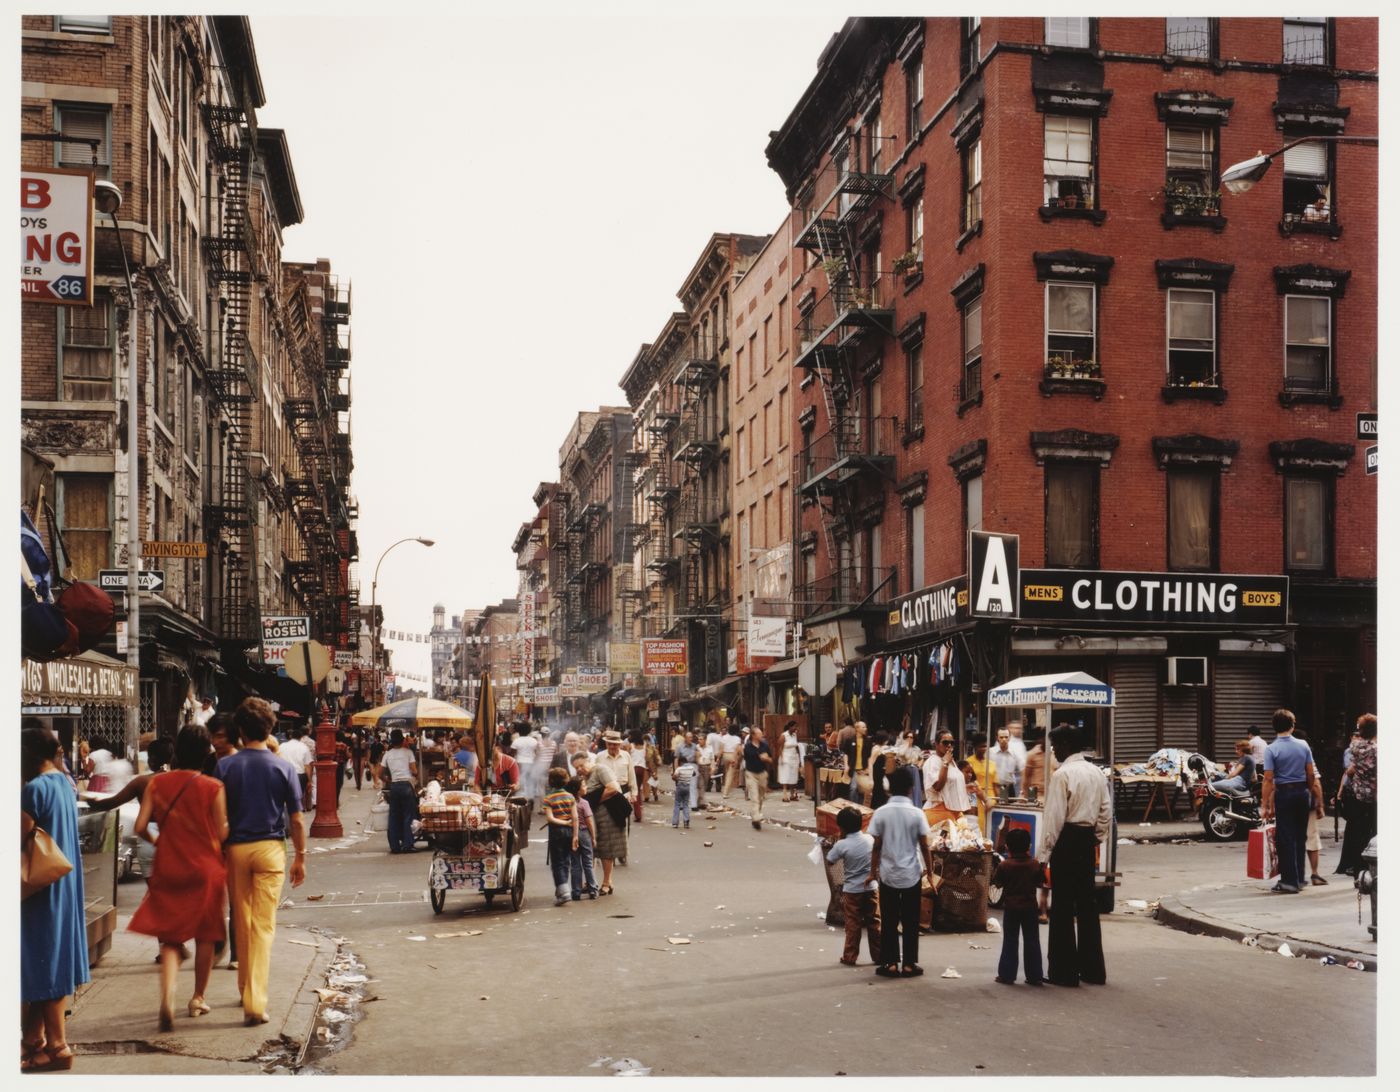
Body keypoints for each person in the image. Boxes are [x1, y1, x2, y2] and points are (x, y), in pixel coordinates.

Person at [127, 725, 229, 1030]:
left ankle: (167, 998)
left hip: (169, 865)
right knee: (206, 935)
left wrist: (162, 842)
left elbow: (141, 826)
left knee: (170, 939)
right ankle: (198, 997)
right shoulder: (213, 787)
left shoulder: (157, 785)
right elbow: (222, 831)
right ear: (206, 753)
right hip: (205, 867)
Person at [217, 698, 306, 1026]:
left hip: (236, 850)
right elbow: (296, 820)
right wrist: (301, 857)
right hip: (270, 849)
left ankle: (245, 990)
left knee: (241, 921)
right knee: (264, 926)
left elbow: (219, 816)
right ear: (270, 729)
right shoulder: (283, 767)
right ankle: (255, 1001)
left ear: (239, 730)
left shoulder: (225, 766)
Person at [21, 725, 89, 1072]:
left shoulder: (34, 789)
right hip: (62, 882)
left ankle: (58, 1045)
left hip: (38, 887)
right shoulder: (63, 782)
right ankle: (33, 1041)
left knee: (41, 959)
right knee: (49, 959)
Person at [1042, 723, 1112, 987]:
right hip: (1086, 841)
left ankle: (1064, 972)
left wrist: (1043, 857)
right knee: (1087, 905)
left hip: (1066, 841)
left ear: (1067, 746)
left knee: (1061, 907)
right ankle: (1093, 971)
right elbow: (1106, 812)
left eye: (1056, 746)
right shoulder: (1096, 773)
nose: (1054, 751)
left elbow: (1054, 820)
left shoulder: (1063, 775)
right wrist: (1095, 837)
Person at [867, 765, 933, 979]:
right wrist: (930, 872)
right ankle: (909, 964)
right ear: (910, 788)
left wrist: (872, 872)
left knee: (889, 920)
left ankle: (890, 963)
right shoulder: (917, 813)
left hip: (888, 874)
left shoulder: (881, 813)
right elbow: (925, 846)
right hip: (911, 874)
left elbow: (876, 846)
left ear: (889, 788)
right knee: (911, 920)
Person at [1260, 708, 1323, 894]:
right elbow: (1310, 773)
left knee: (1285, 838)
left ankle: (1289, 881)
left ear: (1274, 727)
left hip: (1284, 794)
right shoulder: (1303, 745)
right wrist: (1310, 792)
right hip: (1302, 792)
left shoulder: (1271, 749)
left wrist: (1265, 804)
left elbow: (1268, 779)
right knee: (1299, 836)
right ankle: (1300, 878)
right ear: (1292, 725)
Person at [827, 806, 881, 967]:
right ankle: (879, 955)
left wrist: (839, 839)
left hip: (852, 891)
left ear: (841, 827)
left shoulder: (842, 845)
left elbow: (830, 860)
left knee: (853, 924)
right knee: (875, 922)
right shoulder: (870, 839)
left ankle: (850, 956)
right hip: (871, 888)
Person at [991, 826, 1045, 986]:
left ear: (1007, 847)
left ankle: (1007, 975)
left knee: (1010, 940)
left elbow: (997, 884)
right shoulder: (1035, 864)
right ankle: (1035, 976)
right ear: (1029, 847)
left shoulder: (1004, 866)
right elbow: (1040, 882)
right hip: (1030, 907)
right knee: (1032, 940)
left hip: (1011, 908)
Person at [583, 736, 629, 895]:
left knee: (607, 847)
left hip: (610, 809)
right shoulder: (599, 757)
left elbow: (614, 787)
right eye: (610, 743)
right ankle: (591, 881)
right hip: (594, 813)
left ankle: (607, 882)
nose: (612, 746)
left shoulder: (602, 766)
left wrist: (594, 800)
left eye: (615, 743)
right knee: (593, 847)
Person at [1336, 713, 1377, 876]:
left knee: (1359, 832)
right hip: (1373, 796)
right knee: (1372, 832)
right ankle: (1368, 868)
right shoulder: (1376, 749)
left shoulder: (1355, 747)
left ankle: (1357, 868)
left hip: (1357, 795)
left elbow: (1350, 770)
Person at [542, 767, 580, 906]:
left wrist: (563, 822)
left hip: (556, 832)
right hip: (570, 832)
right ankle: (561, 890)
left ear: (550, 781)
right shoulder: (570, 797)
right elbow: (575, 817)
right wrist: (575, 835)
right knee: (565, 861)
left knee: (557, 863)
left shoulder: (548, 798)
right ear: (566, 781)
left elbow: (550, 819)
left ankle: (563, 891)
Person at [380, 729, 418, 854]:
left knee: (394, 816)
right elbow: (414, 771)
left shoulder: (387, 754)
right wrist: (415, 773)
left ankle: (394, 845)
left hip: (395, 786)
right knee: (408, 815)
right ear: (402, 740)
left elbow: (380, 773)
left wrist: (388, 779)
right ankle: (408, 844)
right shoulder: (408, 752)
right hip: (406, 785)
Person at [923, 731, 970, 824]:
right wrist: (945, 763)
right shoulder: (933, 761)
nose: (949, 745)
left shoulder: (950, 761)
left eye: (952, 743)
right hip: (939, 811)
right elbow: (937, 786)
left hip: (954, 811)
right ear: (936, 744)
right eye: (945, 742)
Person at [567, 773, 599, 899]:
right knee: (588, 862)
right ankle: (592, 889)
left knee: (575, 863)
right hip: (584, 832)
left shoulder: (568, 802)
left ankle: (576, 891)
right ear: (577, 789)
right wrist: (593, 837)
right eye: (584, 785)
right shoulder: (584, 803)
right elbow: (589, 821)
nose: (586, 787)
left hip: (571, 833)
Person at [964, 732, 996, 831]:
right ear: (975, 747)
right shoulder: (968, 762)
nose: (983, 749)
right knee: (978, 827)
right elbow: (969, 782)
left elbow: (996, 785)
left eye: (985, 746)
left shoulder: (991, 763)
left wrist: (998, 802)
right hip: (976, 799)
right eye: (981, 746)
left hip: (991, 800)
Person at [743, 726, 773, 830]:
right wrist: (760, 756)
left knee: (760, 797)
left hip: (762, 773)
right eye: (759, 734)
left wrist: (767, 759)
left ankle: (757, 813)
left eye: (761, 733)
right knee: (754, 797)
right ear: (753, 735)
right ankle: (756, 819)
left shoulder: (765, 745)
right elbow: (747, 757)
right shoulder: (748, 746)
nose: (761, 735)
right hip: (751, 773)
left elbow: (771, 759)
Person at [278, 722, 313, 803]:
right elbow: (307, 765)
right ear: (300, 738)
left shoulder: (282, 746)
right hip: (299, 775)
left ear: (291, 736)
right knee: (297, 798)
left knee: (285, 797)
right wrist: (310, 780)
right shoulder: (304, 747)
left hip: (284, 774)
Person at [841, 720, 874, 806]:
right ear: (857, 728)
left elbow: (870, 756)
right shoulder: (850, 740)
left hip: (863, 769)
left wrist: (868, 768)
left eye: (865, 727)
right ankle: (853, 806)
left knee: (861, 790)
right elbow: (845, 754)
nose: (865, 729)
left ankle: (859, 808)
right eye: (863, 727)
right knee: (853, 788)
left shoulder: (868, 741)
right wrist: (846, 766)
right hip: (853, 768)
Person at [989, 727, 1025, 800]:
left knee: (1011, 810)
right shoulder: (990, 752)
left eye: (1006, 737)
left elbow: (1023, 770)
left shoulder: (1015, 753)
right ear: (997, 738)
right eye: (1001, 737)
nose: (1004, 739)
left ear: (1009, 738)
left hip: (1010, 788)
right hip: (995, 787)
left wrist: (1022, 791)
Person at [778, 720, 802, 802]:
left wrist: (799, 758)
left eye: (796, 726)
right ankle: (785, 795)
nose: (796, 728)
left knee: (793, 776)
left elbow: (796, 746)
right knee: (786, 776)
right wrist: (781, 758)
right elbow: (780, 747)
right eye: (794, 726)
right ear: (790, 727)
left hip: (794, 757)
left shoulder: (795, 735)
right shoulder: (784, 735)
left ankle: (792, 795)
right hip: (786, 757)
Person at [718, 727, 743, 799]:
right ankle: (725, 793)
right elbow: (737, 749)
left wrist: (718, 759)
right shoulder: (737, 738)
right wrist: (737, 758)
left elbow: (721, 749)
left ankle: (727, 789)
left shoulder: (724, 737)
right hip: (732, 755)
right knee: (730, 774)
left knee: (726, 772)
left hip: (725, 755)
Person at [671, 752, 695, 829]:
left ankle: (675, 823)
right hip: (687, 787)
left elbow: (674, 777)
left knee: (677, 804)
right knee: (685, 804)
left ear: (680, 762)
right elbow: (694, 774)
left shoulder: (679, 768)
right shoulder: (691, 768)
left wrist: (676, 778)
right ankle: (686, 821)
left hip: (680, 786)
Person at [695, 732, 715, 811]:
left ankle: (699, 802)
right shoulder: (696, 747)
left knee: (705, 785)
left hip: (707, 767)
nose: (699, 741)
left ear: (705, 740)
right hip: (699, 767)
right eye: (698, 739)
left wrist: (712, 768)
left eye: (701, 739)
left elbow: (712, 759)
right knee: (701, 785)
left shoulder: (710, 748)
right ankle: (699, 802)